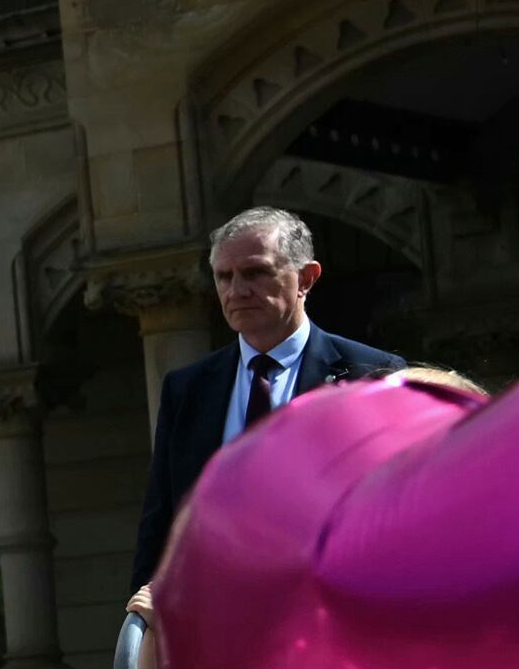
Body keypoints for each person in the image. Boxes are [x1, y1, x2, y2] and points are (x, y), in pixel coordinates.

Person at [133, 205, 402, 588]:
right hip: (217, 613)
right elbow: (160, 520)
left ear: (306, 278)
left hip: (332, 605)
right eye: (224, 277)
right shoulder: (188, 389)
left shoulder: (371, 374)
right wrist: (145, 626)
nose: (237, 290)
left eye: (255, 272)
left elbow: (394, 507)